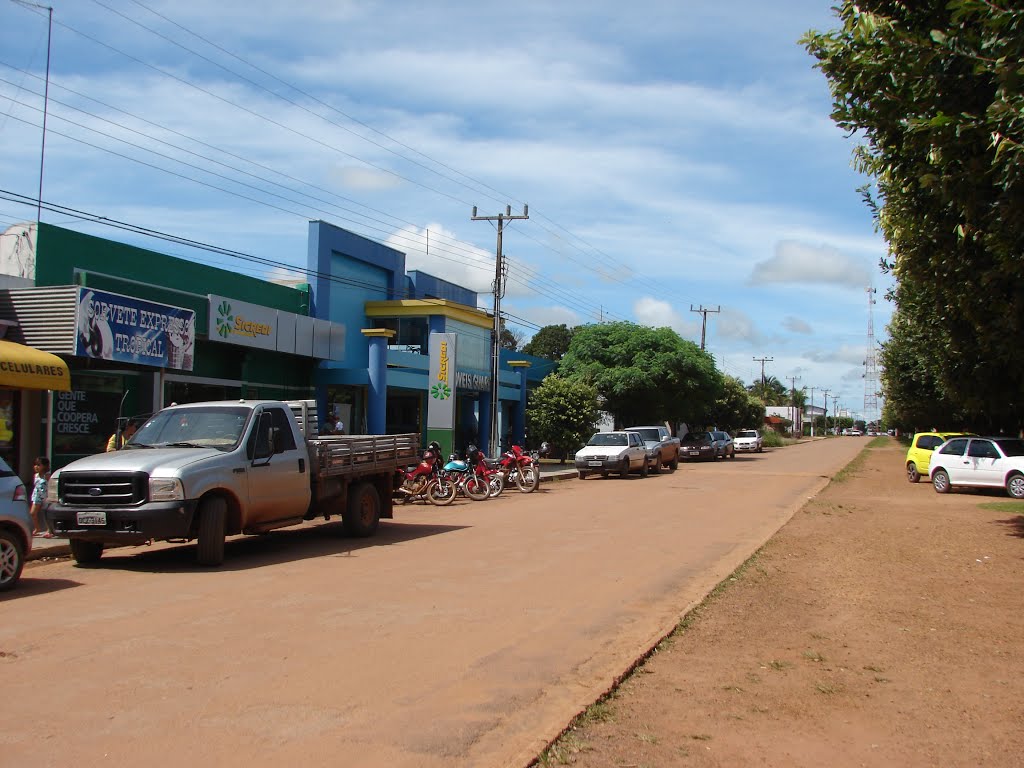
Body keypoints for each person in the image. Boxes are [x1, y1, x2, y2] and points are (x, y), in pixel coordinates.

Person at [30, 456, 51, 538]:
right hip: (37, 495)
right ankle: (37, 528)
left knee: (45, 513)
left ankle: (49, 530)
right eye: (35, 464)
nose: (36, 467)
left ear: (45, 466)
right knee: (32, 513)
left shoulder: (47, 476)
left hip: (46, 496)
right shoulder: (35, 475)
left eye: (39, 465)